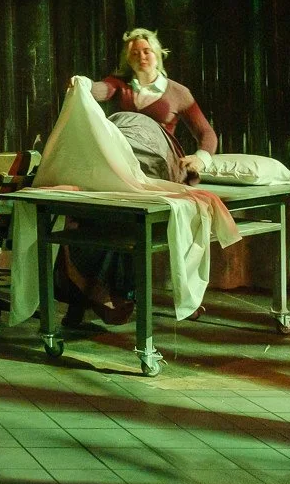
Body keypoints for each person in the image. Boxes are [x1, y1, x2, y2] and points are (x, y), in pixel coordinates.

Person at [58, 27, 219, 325]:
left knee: (121, 223)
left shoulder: (178, 92)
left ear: (157, 54)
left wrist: (201, 157)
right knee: (86, 217)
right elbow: (99, 90)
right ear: (128, 60)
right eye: (135, 53)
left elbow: (207, 134)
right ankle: (81, 298)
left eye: (146, 51)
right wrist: (82, 84)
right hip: (122, 163)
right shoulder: (120, 85)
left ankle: (108, 296)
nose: (141, 56)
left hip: (157, 165)